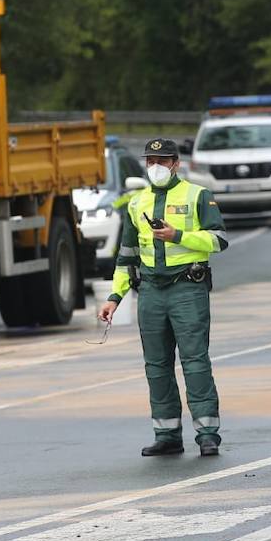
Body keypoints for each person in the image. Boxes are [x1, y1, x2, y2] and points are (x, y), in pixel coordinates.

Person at [98, 137, 228, 457]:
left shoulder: (198, 195)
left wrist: (178, 235)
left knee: (194, 360)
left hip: (187, 288)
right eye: (151, 161)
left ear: (176, 163)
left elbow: (219, 239)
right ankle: (167, 433)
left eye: (163, 160)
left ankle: (207, 432)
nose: (156, 166)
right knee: (156, 365)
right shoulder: (135, 202)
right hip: (151, 291)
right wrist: (115, 297)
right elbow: (127, 256)